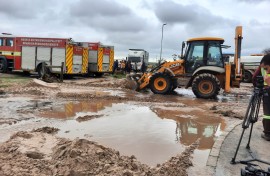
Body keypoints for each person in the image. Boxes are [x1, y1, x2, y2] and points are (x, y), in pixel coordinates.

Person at [253, 54, 270, 141]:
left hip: (267, 92)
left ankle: (267, 133)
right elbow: (255, 77)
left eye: (266, 68)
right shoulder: (263, 65)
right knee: (267, 115)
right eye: (264, 69)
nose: (266, 72)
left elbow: (254, 77)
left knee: (267, 114)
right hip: (266, 92)